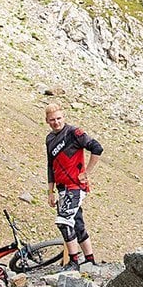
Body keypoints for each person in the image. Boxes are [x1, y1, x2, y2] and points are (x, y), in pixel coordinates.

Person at [45, 103, 103, 271]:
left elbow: (97, 148)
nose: (56, 122)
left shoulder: (74, 133)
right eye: (52, 120)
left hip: (75, 186)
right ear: (47, 121)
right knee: (76, 223)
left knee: (64, 222)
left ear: (64, 117)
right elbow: (50, 166)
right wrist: (50, 191)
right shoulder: (49, 139)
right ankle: (90, 260)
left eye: (58, 118)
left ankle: (74, 262)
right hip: (62, 188)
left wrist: (87, 172)